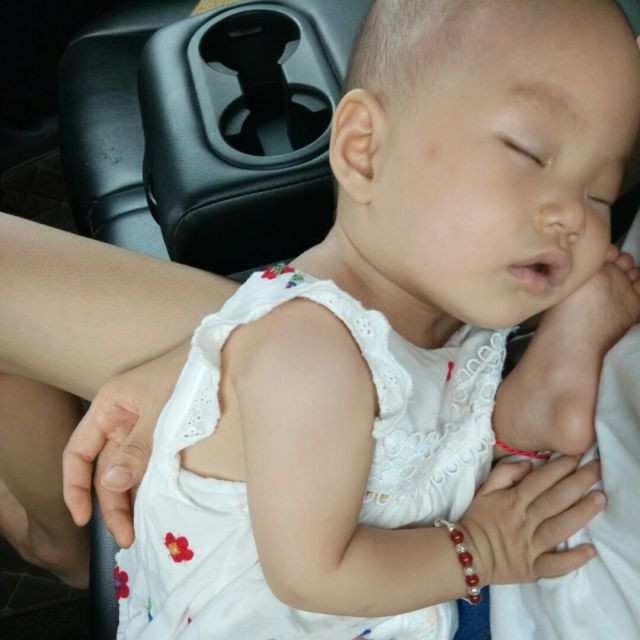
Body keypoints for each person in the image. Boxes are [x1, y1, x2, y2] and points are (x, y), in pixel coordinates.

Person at [0, 0, 635, 621]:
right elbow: (312, 577)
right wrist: (485, 550)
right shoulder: (311, 362)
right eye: (527, 151)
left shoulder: (437, 297)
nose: (572, 216)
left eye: (599, 193)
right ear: (363, 149)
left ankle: (526, 411)